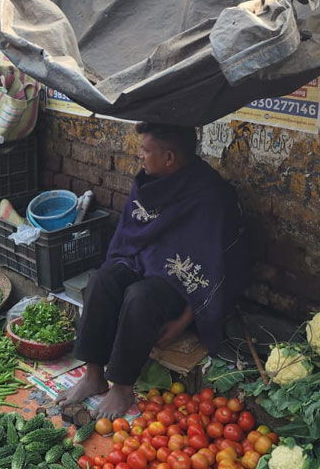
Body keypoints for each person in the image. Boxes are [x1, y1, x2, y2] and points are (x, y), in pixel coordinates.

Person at [57, 123, 251, 419]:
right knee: (102, 279)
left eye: (146, 151)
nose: (139, 156)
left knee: (139, 296)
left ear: (169, 157)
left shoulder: (212, 195)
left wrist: (185, 320)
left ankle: (122, 387)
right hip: (142, 261)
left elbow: (217, 267)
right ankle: (93, 375)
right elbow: (130, 235)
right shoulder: (148, 182)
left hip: (177, 285)